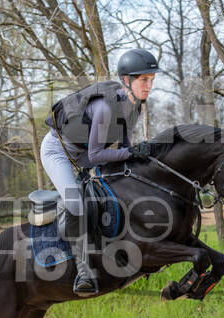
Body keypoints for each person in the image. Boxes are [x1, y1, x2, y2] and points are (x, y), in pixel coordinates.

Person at [41, 48, 160, 296]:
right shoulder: (105, 108)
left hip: (84, 154)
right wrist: (132, 153)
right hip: (59, 151)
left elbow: (126, 147)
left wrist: (142, 156)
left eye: (151, 80)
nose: (149, 85)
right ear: (127, 81)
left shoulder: (134, 106)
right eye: (143, 80)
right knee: (75, 203)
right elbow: (97, 156)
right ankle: (82, 271)